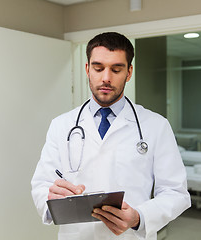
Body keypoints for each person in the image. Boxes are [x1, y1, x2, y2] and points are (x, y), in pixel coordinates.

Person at [31, 32, 190, 240]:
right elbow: (42, 184)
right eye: (98, 68)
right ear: (87, 69)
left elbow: (176, 193)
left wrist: (139, 217)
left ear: (129, 72)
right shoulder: (62, 125)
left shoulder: (156, 126)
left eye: (116, 69)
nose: (106, 77)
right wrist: (51, 197)